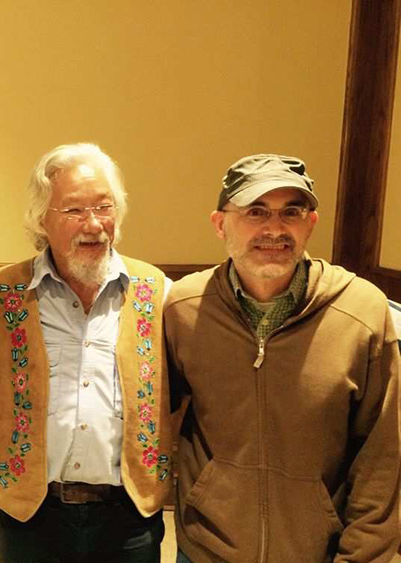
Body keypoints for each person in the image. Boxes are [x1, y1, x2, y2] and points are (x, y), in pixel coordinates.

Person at [0, 143, 173, 562]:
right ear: (42, 218)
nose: (93, 224)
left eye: (104, 207)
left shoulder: (157, 292)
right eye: (74, 210)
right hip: (32, 515)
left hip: (129, 516)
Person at [164, 154, 401, 562]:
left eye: (291, 211)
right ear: (220, 224)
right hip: (206, 550)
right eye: (255, 211)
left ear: (310, 223)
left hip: (318, 552)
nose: (274, 228)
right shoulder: (184, 308)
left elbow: (383, 458)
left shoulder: (362, 312)